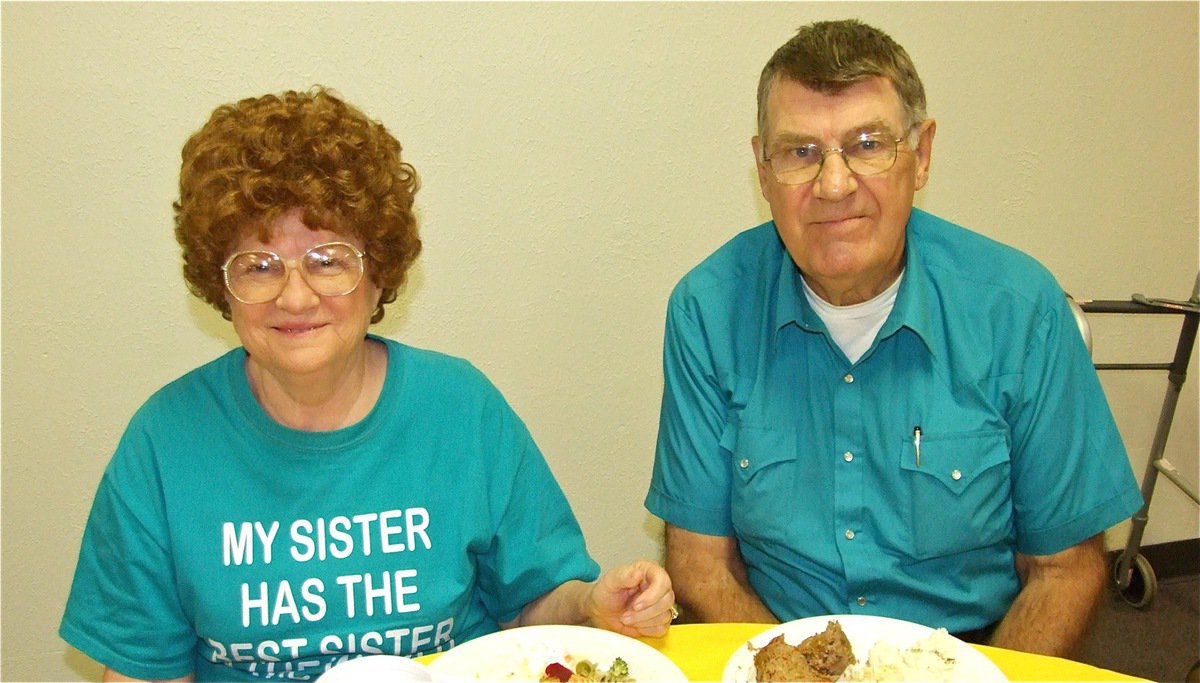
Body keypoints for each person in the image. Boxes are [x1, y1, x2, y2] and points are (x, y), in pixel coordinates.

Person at [60, 87, 675, 682]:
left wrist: (592, 605)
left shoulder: (462, 409)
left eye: (328, 260)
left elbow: (533, 605)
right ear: (221, 286)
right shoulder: (164, 443)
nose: (295, 296)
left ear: (379, 273)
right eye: (259, 265)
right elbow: (145, 671)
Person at [644, 19, 1142, 657]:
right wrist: (792, 672)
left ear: (923, 153)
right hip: (775, 647)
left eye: (868, 144)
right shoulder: (706, 311)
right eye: (800, 152)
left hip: (975, 654)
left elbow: (1063, 569)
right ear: (763, 173)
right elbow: (701, 562)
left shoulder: (1021, 312)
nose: (833, 184)